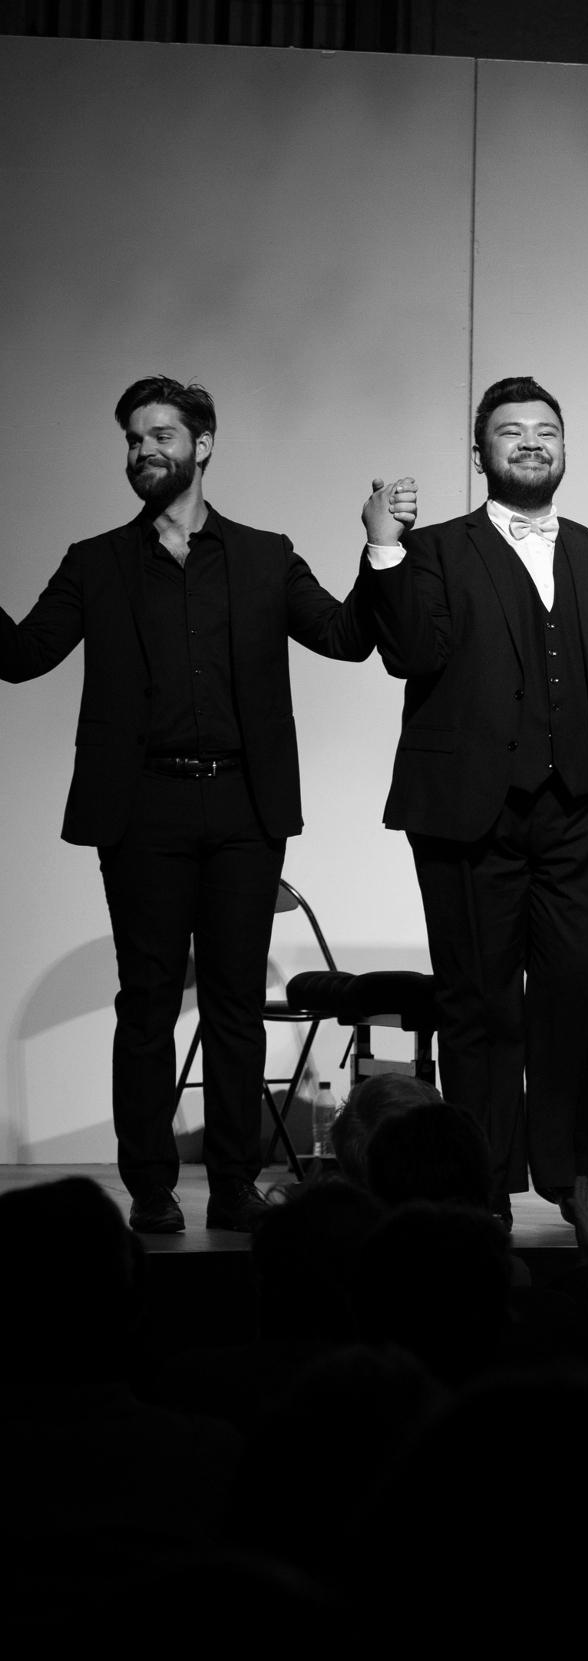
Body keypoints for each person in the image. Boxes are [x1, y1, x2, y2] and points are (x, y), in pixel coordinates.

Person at [0, 376, 386, 1235]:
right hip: (142, 810)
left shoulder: (263, 555)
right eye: (134, 439)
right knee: (145, 1000)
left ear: (202, 447)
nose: (144, 451)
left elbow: (346, 636)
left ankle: (238, 1180)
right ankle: (149, 1184)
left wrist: (380, 548)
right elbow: (21, 654)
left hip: (244, 809)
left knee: (234, 999)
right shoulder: (95, 561)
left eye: (161, 435)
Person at [363, 374, 588, 1232]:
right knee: (480, 1002)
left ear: (565, 448)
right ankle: (481, 1192)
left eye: (546, 430)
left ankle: (568, 1175)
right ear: (481, 451)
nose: (531, 441)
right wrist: (384, 548)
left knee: (584, 989)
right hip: (468, 814)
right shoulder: (438, 548)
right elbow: (409, 648)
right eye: (511, 430)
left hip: (580, 813)